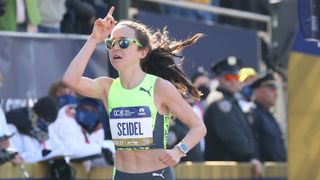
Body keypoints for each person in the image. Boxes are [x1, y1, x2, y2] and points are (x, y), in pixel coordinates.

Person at [63, 6, 206, 180]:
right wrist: (94, 39)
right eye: (111, 43)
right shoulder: (107, 87)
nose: (115, 48)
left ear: (142, 52)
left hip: (156, 175)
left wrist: (179, 150)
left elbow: (198, 127)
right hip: (122, 175)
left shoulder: (159, 87)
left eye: (123, 43)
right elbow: (70, 80)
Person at [204, 56, 262, 176]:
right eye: (229, 77)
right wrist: (249, 157)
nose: (233, 80)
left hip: (235, 170)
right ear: (219, 79)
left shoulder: (231, 100)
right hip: (224, 171)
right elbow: (231, 136)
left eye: (236, 77)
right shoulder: (219, 101)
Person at [250, 72, 287, 162]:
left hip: (277, 171)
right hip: (262, 173)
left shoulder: (270, 115)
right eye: (272, 89)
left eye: (276, 89)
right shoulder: (253, 114)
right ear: (258, 90)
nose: (276, 93)